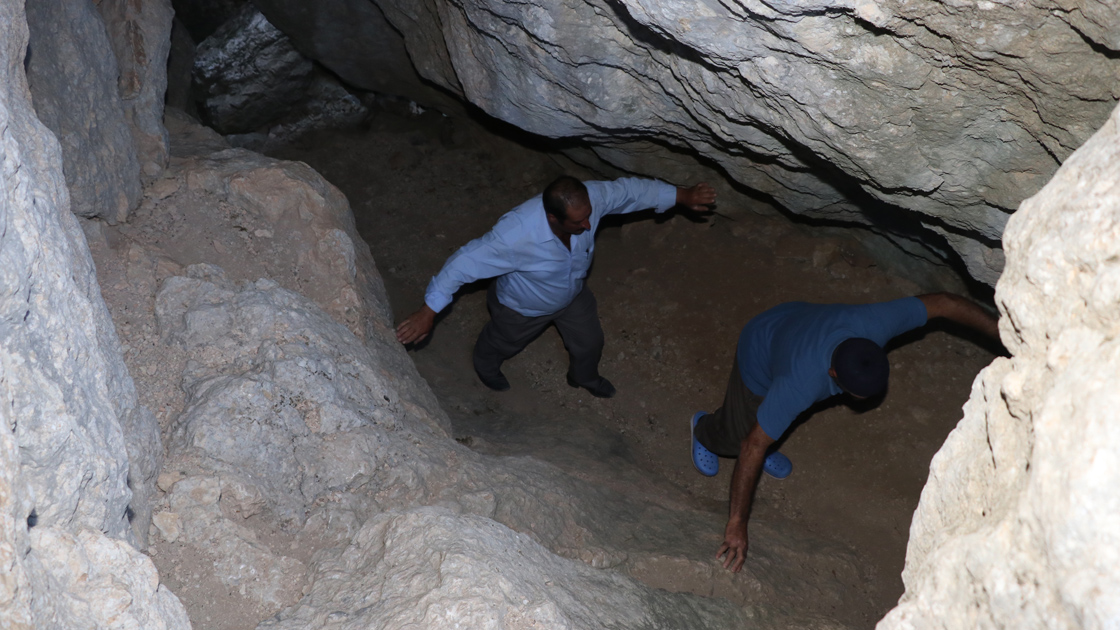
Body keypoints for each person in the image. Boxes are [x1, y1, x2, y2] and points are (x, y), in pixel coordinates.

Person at [689, 293, 999, 573]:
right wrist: (737, 523)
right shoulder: (801, 384)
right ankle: (704, 431)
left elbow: (945, 303)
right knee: (742, 438)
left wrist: (1005, 332)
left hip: (796, 320)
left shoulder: (873, 324)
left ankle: (764, 430)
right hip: (761, 344)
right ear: (833, 374)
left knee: (771, 424)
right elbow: (752, 447)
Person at [396, 175, 717, 397]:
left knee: (590, 342)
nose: (588, 225)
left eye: (589, 216)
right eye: (578, 222)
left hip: (573, 294)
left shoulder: (588, 200)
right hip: (522, 307)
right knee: (503, 343)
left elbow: (630, 192)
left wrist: (681, 195)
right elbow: (464, 263)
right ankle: (486, 366)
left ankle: (583, 377)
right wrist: (428, 311)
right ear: (552, 218)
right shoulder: (516, 235)